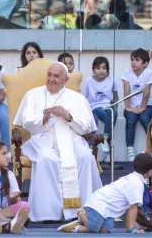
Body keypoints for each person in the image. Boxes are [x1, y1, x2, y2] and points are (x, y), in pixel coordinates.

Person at [13, 62, 102, 221]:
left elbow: (86, 127)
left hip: (71, 137)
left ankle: (84, 208)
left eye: (56, 76)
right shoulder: (32, 95)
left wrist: (68, 116)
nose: (51, 79)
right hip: (44, 138)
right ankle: (49, 212)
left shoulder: (78, 98)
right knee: (47, 159)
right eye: (49, 75)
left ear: (65, 79)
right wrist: (43, 118)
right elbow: (25, 121)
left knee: (85, 157)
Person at [57, 153, 152, 234]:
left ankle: (86, 221)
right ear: (150, 171)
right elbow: (133, 207)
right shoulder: (137, 183)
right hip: (99, 204)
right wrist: (132, 229)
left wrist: (130, 228)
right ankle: (79, 218)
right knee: (94, 227)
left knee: (105, 231)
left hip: (107, 210)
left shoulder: (134, 178)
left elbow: (130, 208)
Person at [0, 141, 30, 233]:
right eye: (4, 154)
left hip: (4, 211)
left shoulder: (9, 174)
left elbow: (16, 202)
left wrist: (14, 198)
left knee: (25, 205)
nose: (8, 156)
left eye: (7, 153)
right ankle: (7, 223)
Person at [121, 48, 152, 161]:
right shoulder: (127, 72)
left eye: (137, 60)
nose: (133, 62)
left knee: (145, 119)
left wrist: (142, 107)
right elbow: (126, 91)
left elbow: (146, 92)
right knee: (131, 120)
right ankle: (130, 149)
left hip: (146, 106)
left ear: (145, 63)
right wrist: (128, 107)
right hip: (131, 106)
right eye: (132, 60)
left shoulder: (148, 72)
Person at [82, 56, 118, 154]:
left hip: (107, 106)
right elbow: (84, 98)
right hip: (94, 107)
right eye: (98, 68)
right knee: (107, 115)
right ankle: (101, 140)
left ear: (107, 70)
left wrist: (115, 108)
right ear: (93, 69)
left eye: (104, 68)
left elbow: (115, 97)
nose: (101, 70)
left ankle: (104, 139)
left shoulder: (112, 81)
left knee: (113, 112)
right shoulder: (88, 81)